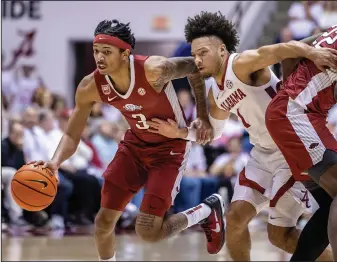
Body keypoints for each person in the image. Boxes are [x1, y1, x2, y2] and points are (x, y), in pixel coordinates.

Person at [147, 11, 337, 261]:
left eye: (203, 52)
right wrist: (180, 132)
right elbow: (213, 133)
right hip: (261, 154)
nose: (197, 60)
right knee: (235, 218)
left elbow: (279, 49)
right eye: (194, 54)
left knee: (279, 236)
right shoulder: (214, 95)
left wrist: (312, 53)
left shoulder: (241, 63)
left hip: (291, 152)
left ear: (222, 49)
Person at [29, 19, 225, 261]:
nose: (99, 58)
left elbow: (195, 68)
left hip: (169, 149)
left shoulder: (155, 69)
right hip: (134, 146)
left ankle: (206, 210)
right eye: (96, 51)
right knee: (103, 222)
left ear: (125, 53)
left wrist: (203, 116)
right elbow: (71, 133)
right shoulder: (91, 85)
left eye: (107, 52)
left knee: (149, 231)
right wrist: (55, 162)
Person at [265, 1, 337, 261]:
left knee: (331, 203)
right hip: (296, 115)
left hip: (290, 113)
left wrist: (289, 91)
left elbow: (291, 53)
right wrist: (294, 100)